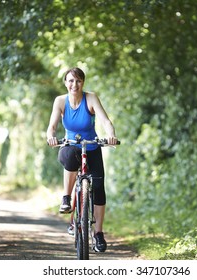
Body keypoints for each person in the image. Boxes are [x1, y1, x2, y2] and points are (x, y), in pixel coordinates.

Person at [46, 67, 118, 253]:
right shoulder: (60, 101)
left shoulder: (91, 98)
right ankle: (66, 197)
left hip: (92, 146)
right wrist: (51, 136)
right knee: (69, 157)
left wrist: (111, 135)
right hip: (70, 145)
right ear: (65, 83)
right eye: (70, 81)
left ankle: (98, 234)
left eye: (78, 81)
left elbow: (105, 121)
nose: (74, 85)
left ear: (83, 83)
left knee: (99, 189)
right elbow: (52, 126)